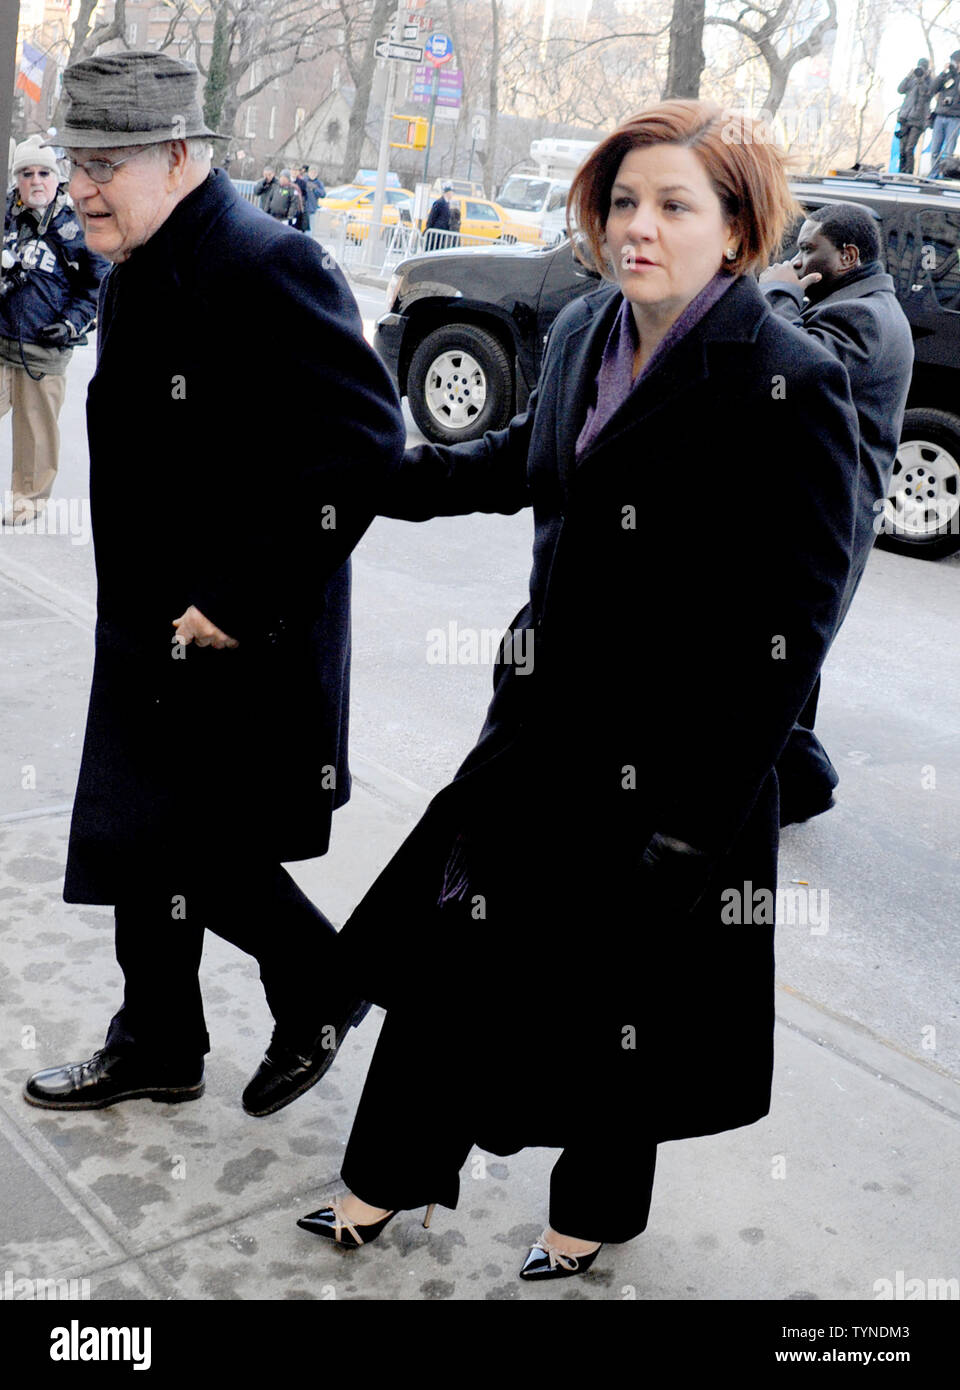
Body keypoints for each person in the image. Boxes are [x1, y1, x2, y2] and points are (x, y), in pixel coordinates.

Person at [295, 101, 861, 1281]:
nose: (635, 228)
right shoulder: (586, 328)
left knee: (626, 1015)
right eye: (620, 202)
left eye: (672, 205)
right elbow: (534, 463)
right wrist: (398, 479)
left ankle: (589, 1215)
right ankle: (381, 1179)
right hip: (537, 733)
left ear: (740, 228)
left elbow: (796, 625)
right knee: (453, 959)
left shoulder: (787, 379)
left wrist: (695, 819)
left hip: (673, 773)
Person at [22, 51, 405, 1117]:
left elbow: (369, 441)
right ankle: (160, 1039)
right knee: (141, 840)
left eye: (104, 163)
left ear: (182, 157)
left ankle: (324, 985)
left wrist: (241, 597)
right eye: (73, 160)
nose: (83, 185)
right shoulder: (141, 253)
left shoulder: (265, 260)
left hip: (236, 635)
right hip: (151, 624)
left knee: (191, 846)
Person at [760, 203, 914, 826]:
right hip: (823, 522)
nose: (798, 262)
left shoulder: (863, 318)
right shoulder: (868, 306)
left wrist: (776, 293)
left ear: (848, 258)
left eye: (809, 250)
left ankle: (802, 786)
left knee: (776, 664)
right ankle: (773, 785)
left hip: (820, 529)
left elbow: (789, 374)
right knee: (789, 662)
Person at [1, 134, 107, 526]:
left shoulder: (74, 224)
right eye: (26, 173)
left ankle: (26, 502)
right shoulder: (7, 215)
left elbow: (97, 284)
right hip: (1, 339)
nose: (36, 180)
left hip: (43, 351)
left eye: (44, 172)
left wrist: (70, 323)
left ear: (57, 177)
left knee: (35, 432)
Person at [895, 59, 932, 174]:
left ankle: (908, 174)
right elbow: (900, 90)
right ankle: (901, 172)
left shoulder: (929, 81)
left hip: (918, 120)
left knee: (909, 149)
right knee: (902, 149)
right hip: (905, 118)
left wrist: (922, 79)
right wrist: (908, 76)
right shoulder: (911, 78)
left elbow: (925, 94)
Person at [928, 51, 960, 176]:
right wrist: (943, 73)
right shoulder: (947, 76)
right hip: (940, 116)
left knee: (948, 151)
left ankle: (944, 175)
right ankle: (933, 176)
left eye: (955, 62)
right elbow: (932, 89)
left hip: (955, 118)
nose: (953, 64)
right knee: (935, 149)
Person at [423, 182, 453, 249]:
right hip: (435, 232)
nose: (452, 194)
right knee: (431, 248)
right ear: (448, 193)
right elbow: (432, 217)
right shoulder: (439, 202)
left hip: (441, 232)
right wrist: (429, 228)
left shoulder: (447, 203)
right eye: (451, 192)